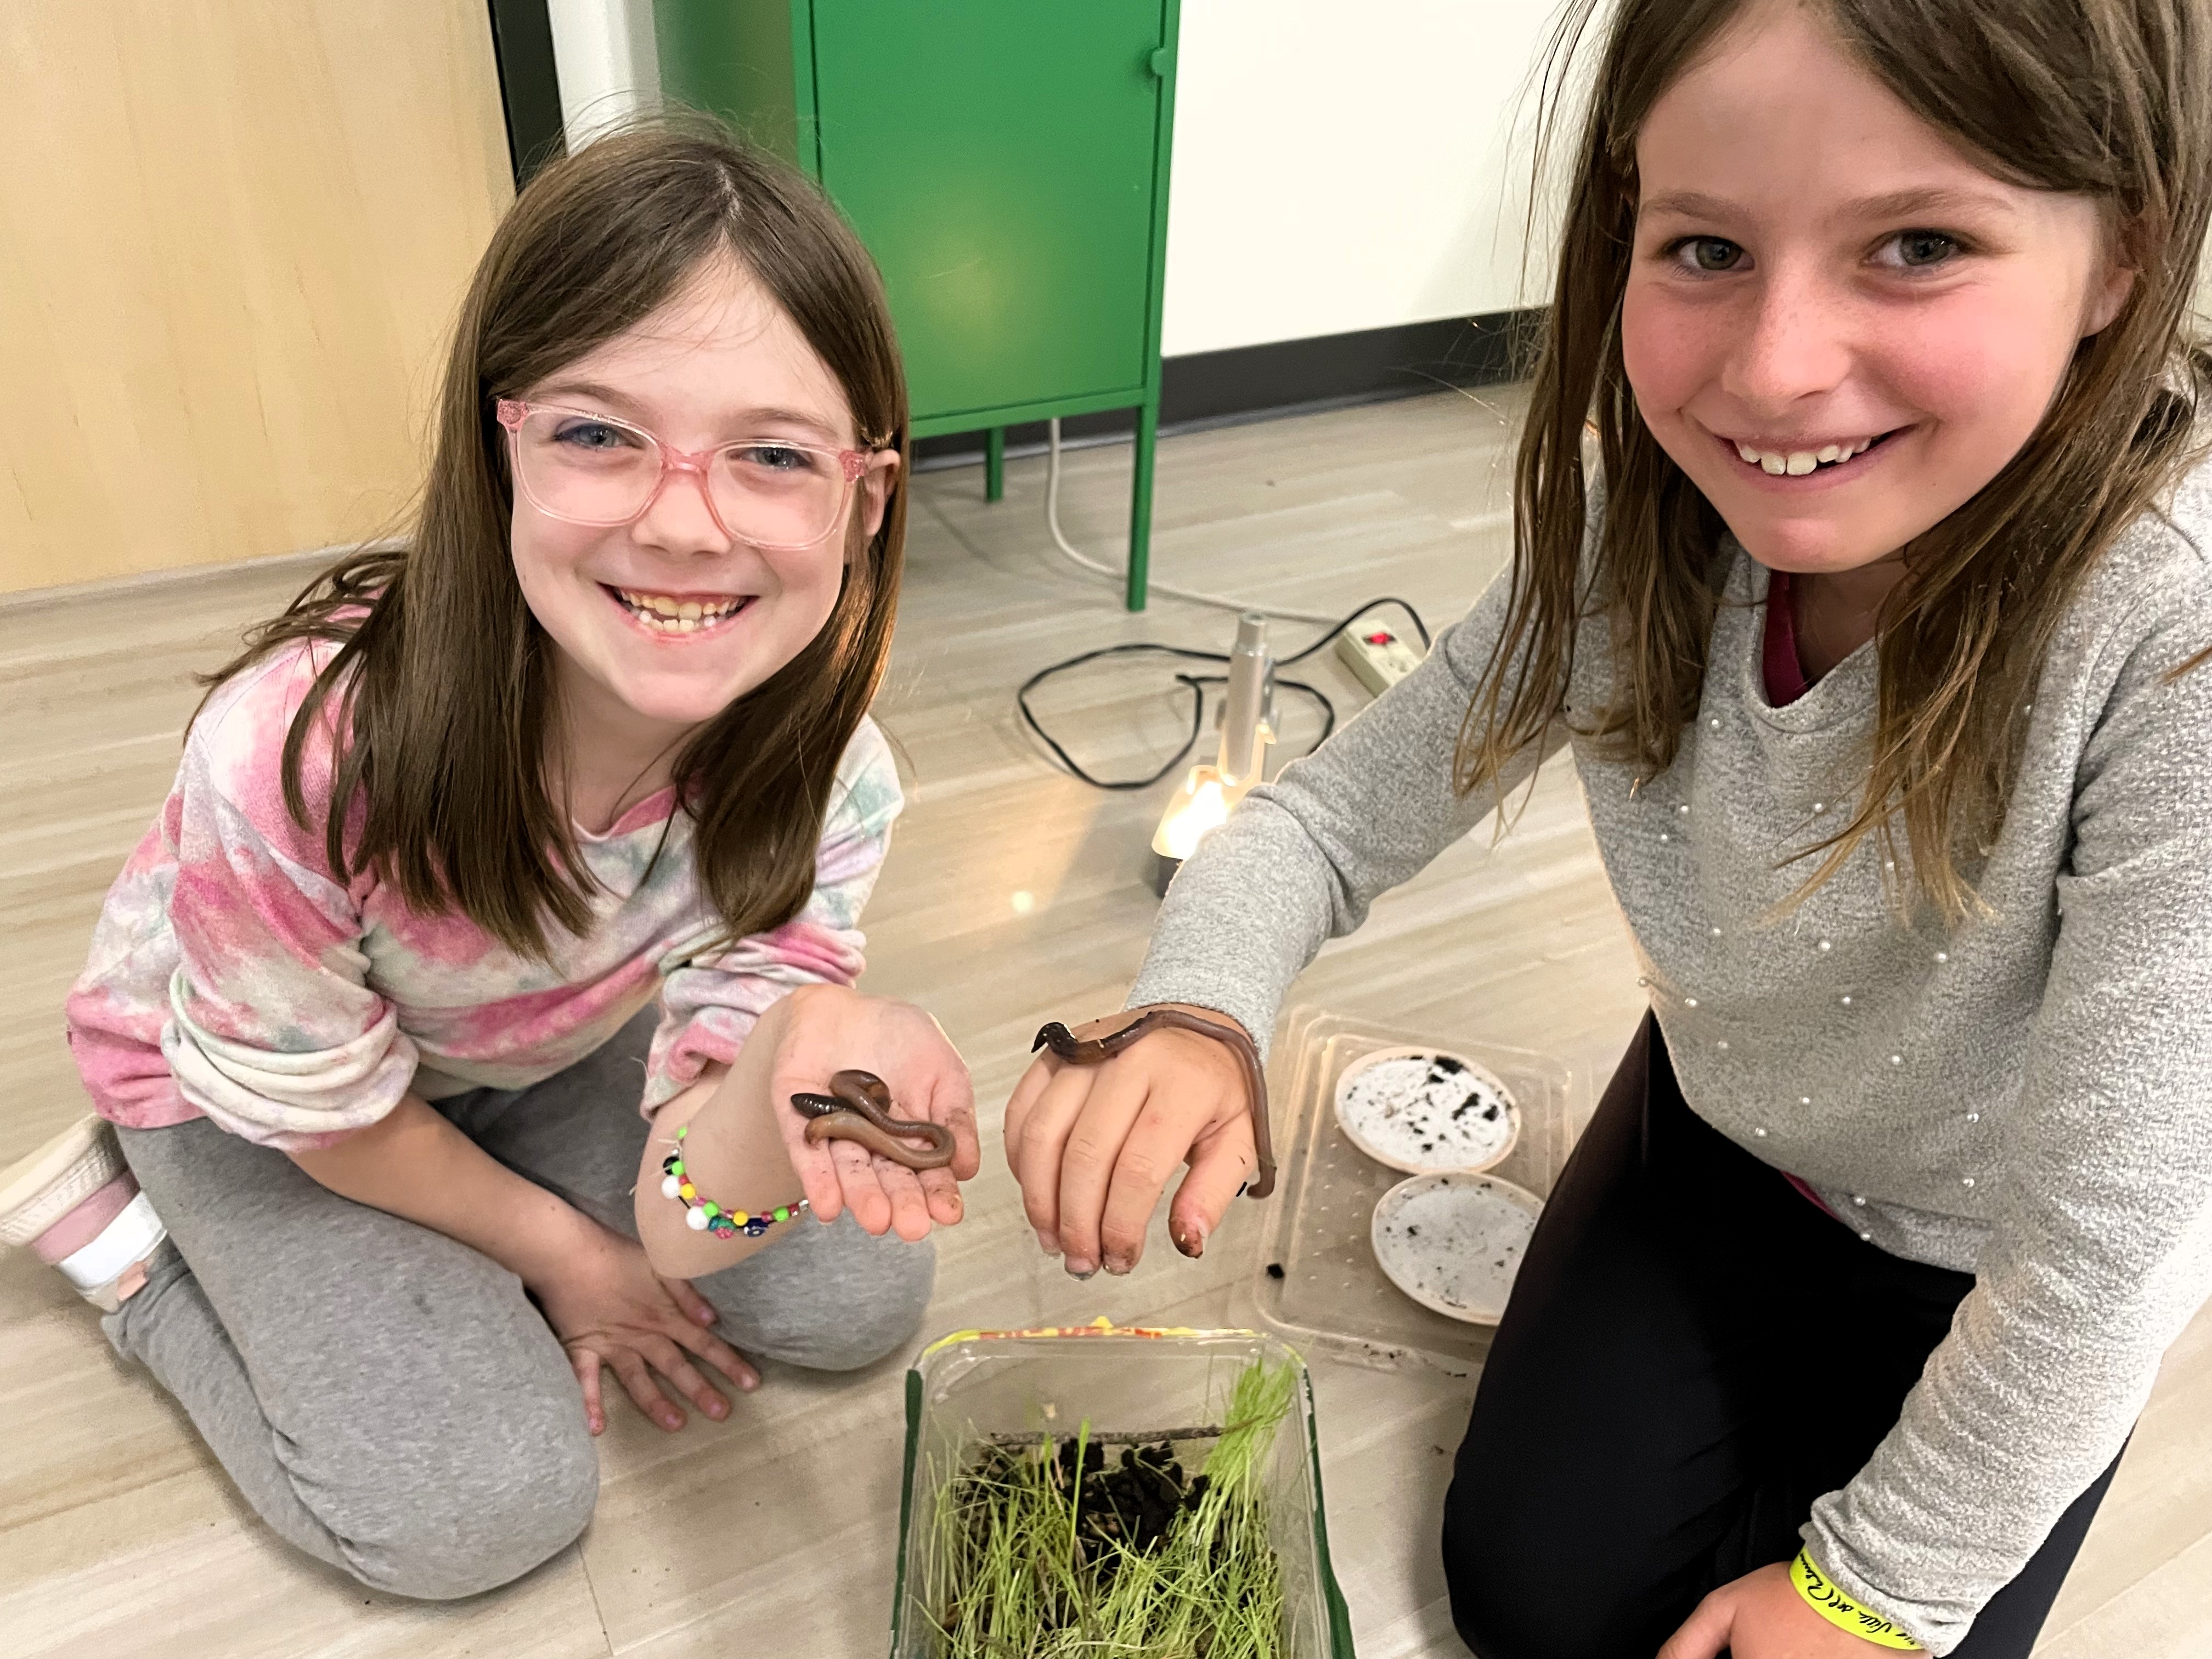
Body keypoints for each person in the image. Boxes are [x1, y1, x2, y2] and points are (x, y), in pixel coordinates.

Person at [1002, 2, 2212, 1654]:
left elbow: (2112, 1253)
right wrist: (1197, 1008)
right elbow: (1326, 819)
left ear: (2123, 257)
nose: (1776, 368)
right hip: (1718, 1139)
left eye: (1918, 244)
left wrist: (1875, 1593)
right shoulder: (1628, 532)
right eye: (1705, 247)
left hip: (2003, 1259)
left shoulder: (2169, 643)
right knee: (1532, 1600)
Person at [0, 121, 977, 1599]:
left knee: (854, 1294)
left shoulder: (834, 774)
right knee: (477, 1515)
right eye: (599, 433)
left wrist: (785, 1076)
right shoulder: (300, 754)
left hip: (537, 1040)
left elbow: (685, 1210)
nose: (682, 521)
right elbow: (345, 1123)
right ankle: (125, 1255)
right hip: (272, 1097)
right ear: (496, 443)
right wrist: (570, 1263)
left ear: (865, 497)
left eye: (773, 456)